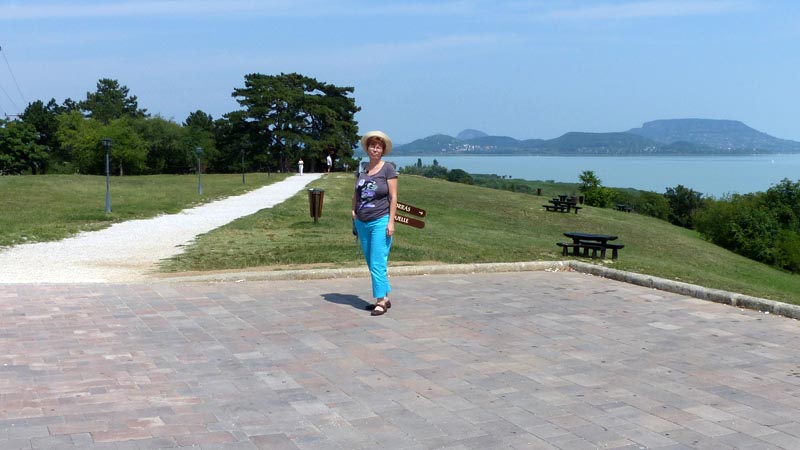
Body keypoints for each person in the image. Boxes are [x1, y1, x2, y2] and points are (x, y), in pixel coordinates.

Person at [352, 130, 397, 316]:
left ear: (383, 150)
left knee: (378, 261)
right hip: (362, 221)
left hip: (380, 220)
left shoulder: (388, 169)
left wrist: (391, 222)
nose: (375, 149)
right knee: (372, 261)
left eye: (378, 147)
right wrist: (353, 211)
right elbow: (356, 193)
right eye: (372, 146)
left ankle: (380, 302)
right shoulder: (362, 169)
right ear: (367, 148)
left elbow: (393, 197)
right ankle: (385, 296)